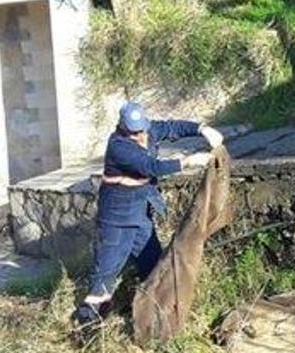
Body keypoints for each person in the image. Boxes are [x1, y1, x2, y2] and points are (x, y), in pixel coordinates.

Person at [73, 101, 224, 328]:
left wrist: (202, 128)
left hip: (139, 216)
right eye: (134, 132)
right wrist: (188, 161)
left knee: (153, 263)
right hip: (116, 221)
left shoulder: (148, 130)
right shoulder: (119, 147)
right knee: (106, 274)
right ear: (123, 128)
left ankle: (150, 311)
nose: (141, 135)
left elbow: (172, 128)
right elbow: (151, 166)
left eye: (142, 129)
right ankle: (88, 322)